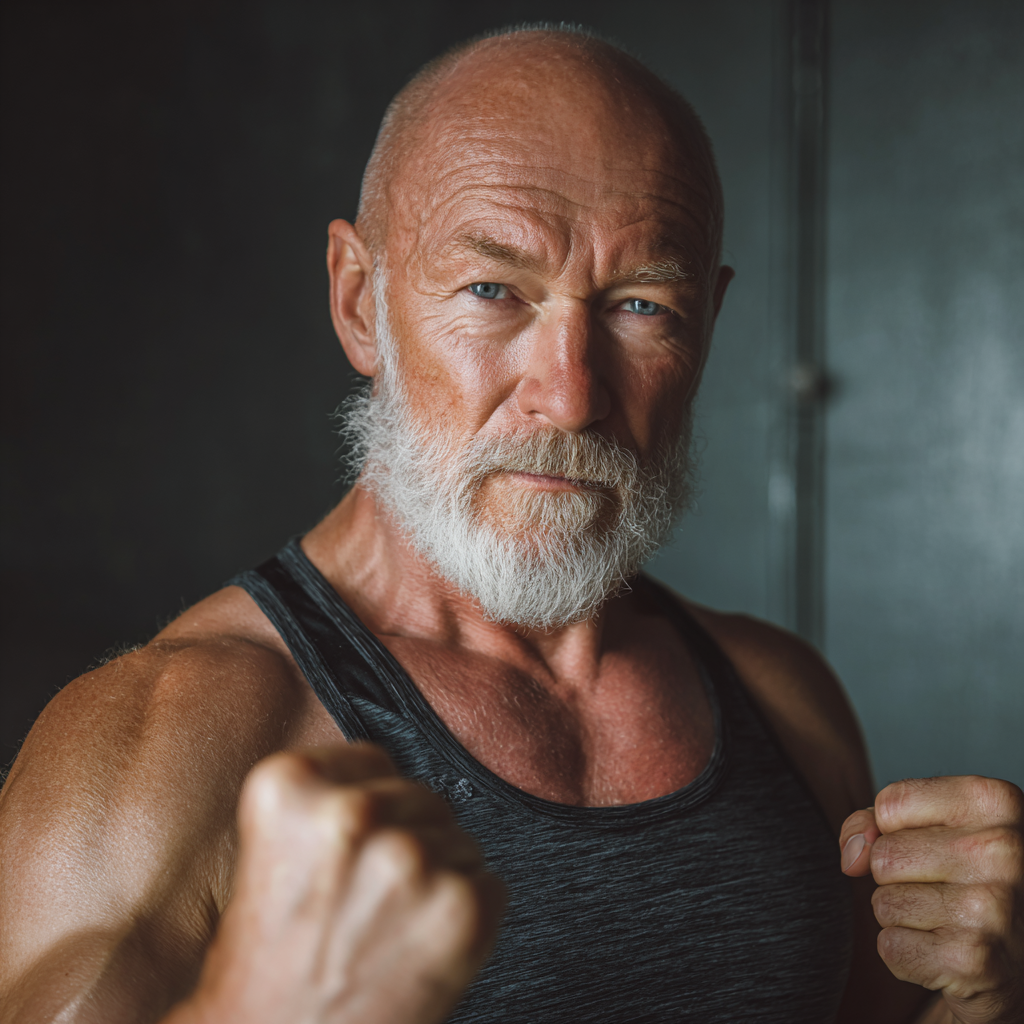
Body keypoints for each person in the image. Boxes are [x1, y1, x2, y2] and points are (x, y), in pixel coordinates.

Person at [0, 24, 1021, 1024]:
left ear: (707, 326)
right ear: (361, 304)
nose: (571, 396)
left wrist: (991, 996)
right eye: (493, 290)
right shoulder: (166, 739)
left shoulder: (786, 703)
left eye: (639, 306)